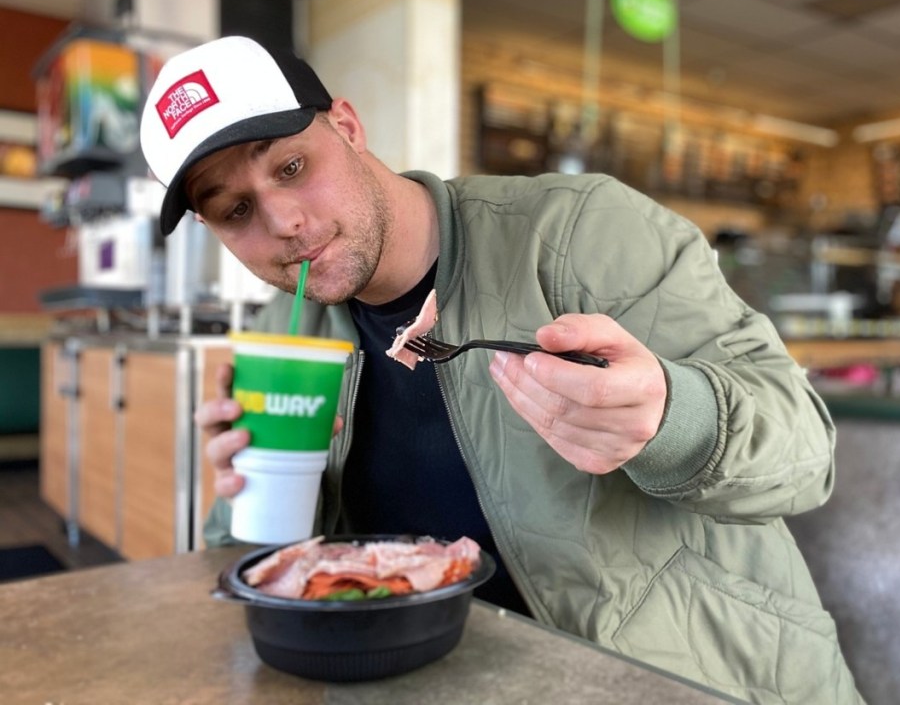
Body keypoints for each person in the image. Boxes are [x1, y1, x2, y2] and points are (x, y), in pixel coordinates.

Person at [140, 36, 863, 704]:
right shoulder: (284, 328)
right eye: (236, 210)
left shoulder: (583, 233)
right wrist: (248, 491)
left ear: (349, 130)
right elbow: (256, 566)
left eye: (292, 167)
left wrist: (672, 417)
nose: (283, 223)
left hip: (682, 675)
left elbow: (806, 457)